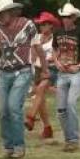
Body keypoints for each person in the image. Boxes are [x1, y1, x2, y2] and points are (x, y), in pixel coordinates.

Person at [0, 0, 48, 159]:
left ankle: (19, 146)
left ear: (11, 12)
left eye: (2, 13)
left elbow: (37, 46)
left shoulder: (27, 25)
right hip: (4, 72)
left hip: (23, 70)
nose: (0, 17)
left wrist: (44, 68)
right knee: (3, 111)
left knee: (14, 107)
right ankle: (8, 146)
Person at [53, 3, 80, 153]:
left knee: (71, 103)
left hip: (77, 72)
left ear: (74, 18)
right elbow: (54, 48)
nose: (65, 19)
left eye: (68, 17)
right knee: (60, 109)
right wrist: (56, 61)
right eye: (63, 17)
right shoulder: (57, 33)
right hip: (62, 73)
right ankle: (68, 138)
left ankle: (74, 139)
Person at [25, 11, 61, 139]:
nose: (42, 26)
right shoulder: (37, 37)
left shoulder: (56, 39)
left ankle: (30, 117)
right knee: (39, 98)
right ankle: (47, 128)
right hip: (37, 69)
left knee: (40, 91)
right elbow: (32, 53)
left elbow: (58, 55)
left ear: (51, 25)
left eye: (45, 24)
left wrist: (48, 59)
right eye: (40, 24)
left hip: (51, 69)